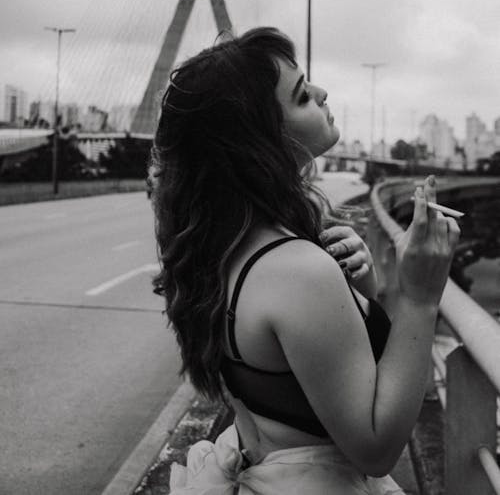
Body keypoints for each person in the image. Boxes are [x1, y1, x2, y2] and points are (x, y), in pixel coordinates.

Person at [149, 27, 460, 494]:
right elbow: (374, 450)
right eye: (300, 96)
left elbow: (306, 368)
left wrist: (362, 291)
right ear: (262, 141)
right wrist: (420, 296)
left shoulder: (228, 245)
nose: (321, 92)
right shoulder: (296, 270)